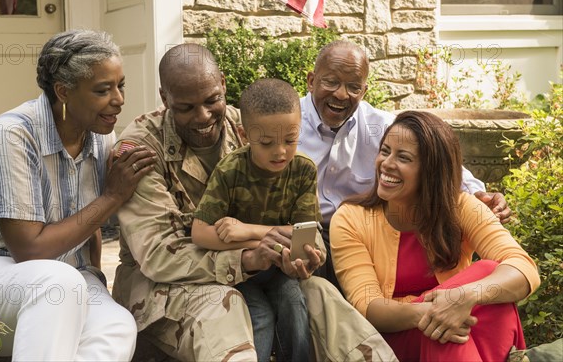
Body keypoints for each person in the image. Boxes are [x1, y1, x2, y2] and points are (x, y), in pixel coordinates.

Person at [112, 43, 397, 361]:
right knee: (227, 303)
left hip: (256, 270)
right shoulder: (139, 149)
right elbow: (159, 256)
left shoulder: (253, 125)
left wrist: (305, 252)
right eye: (186, 107)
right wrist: (247, 259)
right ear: (165, 99)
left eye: (212, 100)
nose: (203, 116)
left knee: (319, 293)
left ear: (222, 83)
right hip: (163, 285)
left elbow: (300, 220)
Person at [0, 29, 156, 360]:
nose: (119, 100)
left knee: (117, 325)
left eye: (120, 85)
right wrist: (111, 197)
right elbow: (28, 249)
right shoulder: (13, 134)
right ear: (64, 91)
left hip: (70, 277)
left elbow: (89, 229)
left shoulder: (99, 135)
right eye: (102, 90)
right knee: (59, 284)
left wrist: (95, 279)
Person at [298, 40, 512, 287]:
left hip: (363, 235)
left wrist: (478, 193)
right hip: (307, 232)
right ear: (311, 80)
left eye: (353, 87)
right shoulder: (289, 125)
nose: (341, 94)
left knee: (486, 271)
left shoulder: (381, 125)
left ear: (364, 91)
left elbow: (436, 156)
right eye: (331, 82)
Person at [330, 110, 540, 361]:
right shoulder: (350, 218)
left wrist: (466, 296)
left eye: (403, 157)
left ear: (431, 170)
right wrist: (437, 311)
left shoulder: (461, 207)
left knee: (490, 279)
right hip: (393, 338)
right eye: (384, 151)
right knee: (448, 324)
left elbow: (524, 268)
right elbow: (370, 308)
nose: (386, 163)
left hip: (457, 331)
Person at [192, 78, 322, 362]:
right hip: (243, 271)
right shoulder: (230, 171)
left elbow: (305, 235)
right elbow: (200, 233)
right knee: (259, 317)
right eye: (266, 143)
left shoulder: (303, 170)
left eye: (290, 140)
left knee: (294, 304)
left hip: (282, 268)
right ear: (244, 133)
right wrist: (256, 243)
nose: (280, 152)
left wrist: (245, 230)